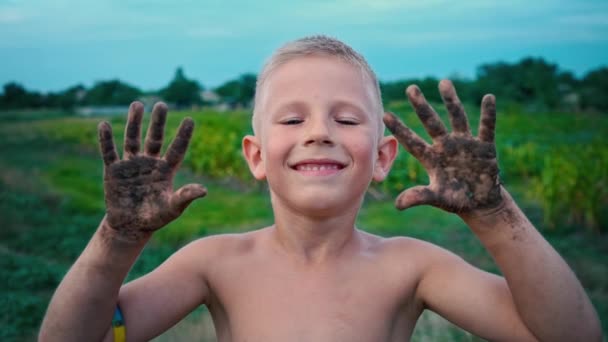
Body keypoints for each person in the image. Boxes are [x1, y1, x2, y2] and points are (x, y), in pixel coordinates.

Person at [39, 35, 602, 342]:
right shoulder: (213, 263)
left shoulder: (412, 267)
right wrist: (117, 237)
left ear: (382, 156)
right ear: (256, 156)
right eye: (291, 120)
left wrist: (495, 213)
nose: (319, 134)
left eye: (347, 120)